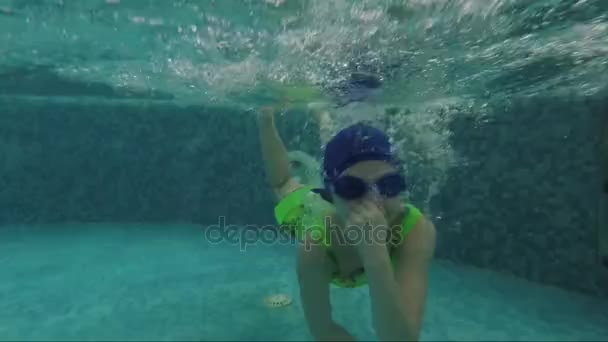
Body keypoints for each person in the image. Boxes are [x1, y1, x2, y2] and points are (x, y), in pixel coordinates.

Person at [256, 105, 436, 341]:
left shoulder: (416, 230)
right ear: (331, 193)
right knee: (283, 183)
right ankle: (264, 120)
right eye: (352, 188)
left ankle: (324, 115)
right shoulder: (315, 247)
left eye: (388, 184)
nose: (375, 202)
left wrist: (376, 258)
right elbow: (323, 331)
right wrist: (374, 252)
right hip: (308, 211)